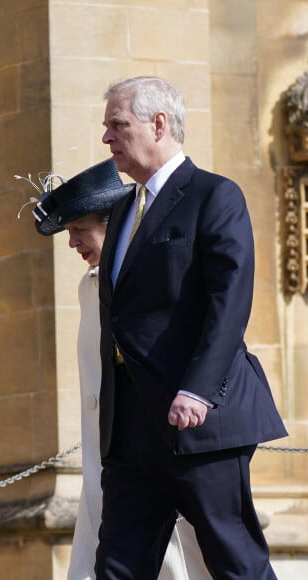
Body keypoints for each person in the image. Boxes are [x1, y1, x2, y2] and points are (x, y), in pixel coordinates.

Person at [96, 76, 288, 578]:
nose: (107, 138)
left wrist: (198, 391)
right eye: (107, 127)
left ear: (158, 124)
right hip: (131, 429)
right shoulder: (120, 211)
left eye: (118, 125)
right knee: (116, 566)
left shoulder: (214, 195)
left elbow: (230, 301)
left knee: (235, 562)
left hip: (199, 421)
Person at [29, 158, 211, 580]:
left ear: (115, 226)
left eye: (79, 229)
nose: (72, 242)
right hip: (111, 458)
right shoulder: (89, 285)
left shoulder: (150, 278)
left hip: (160, 449)